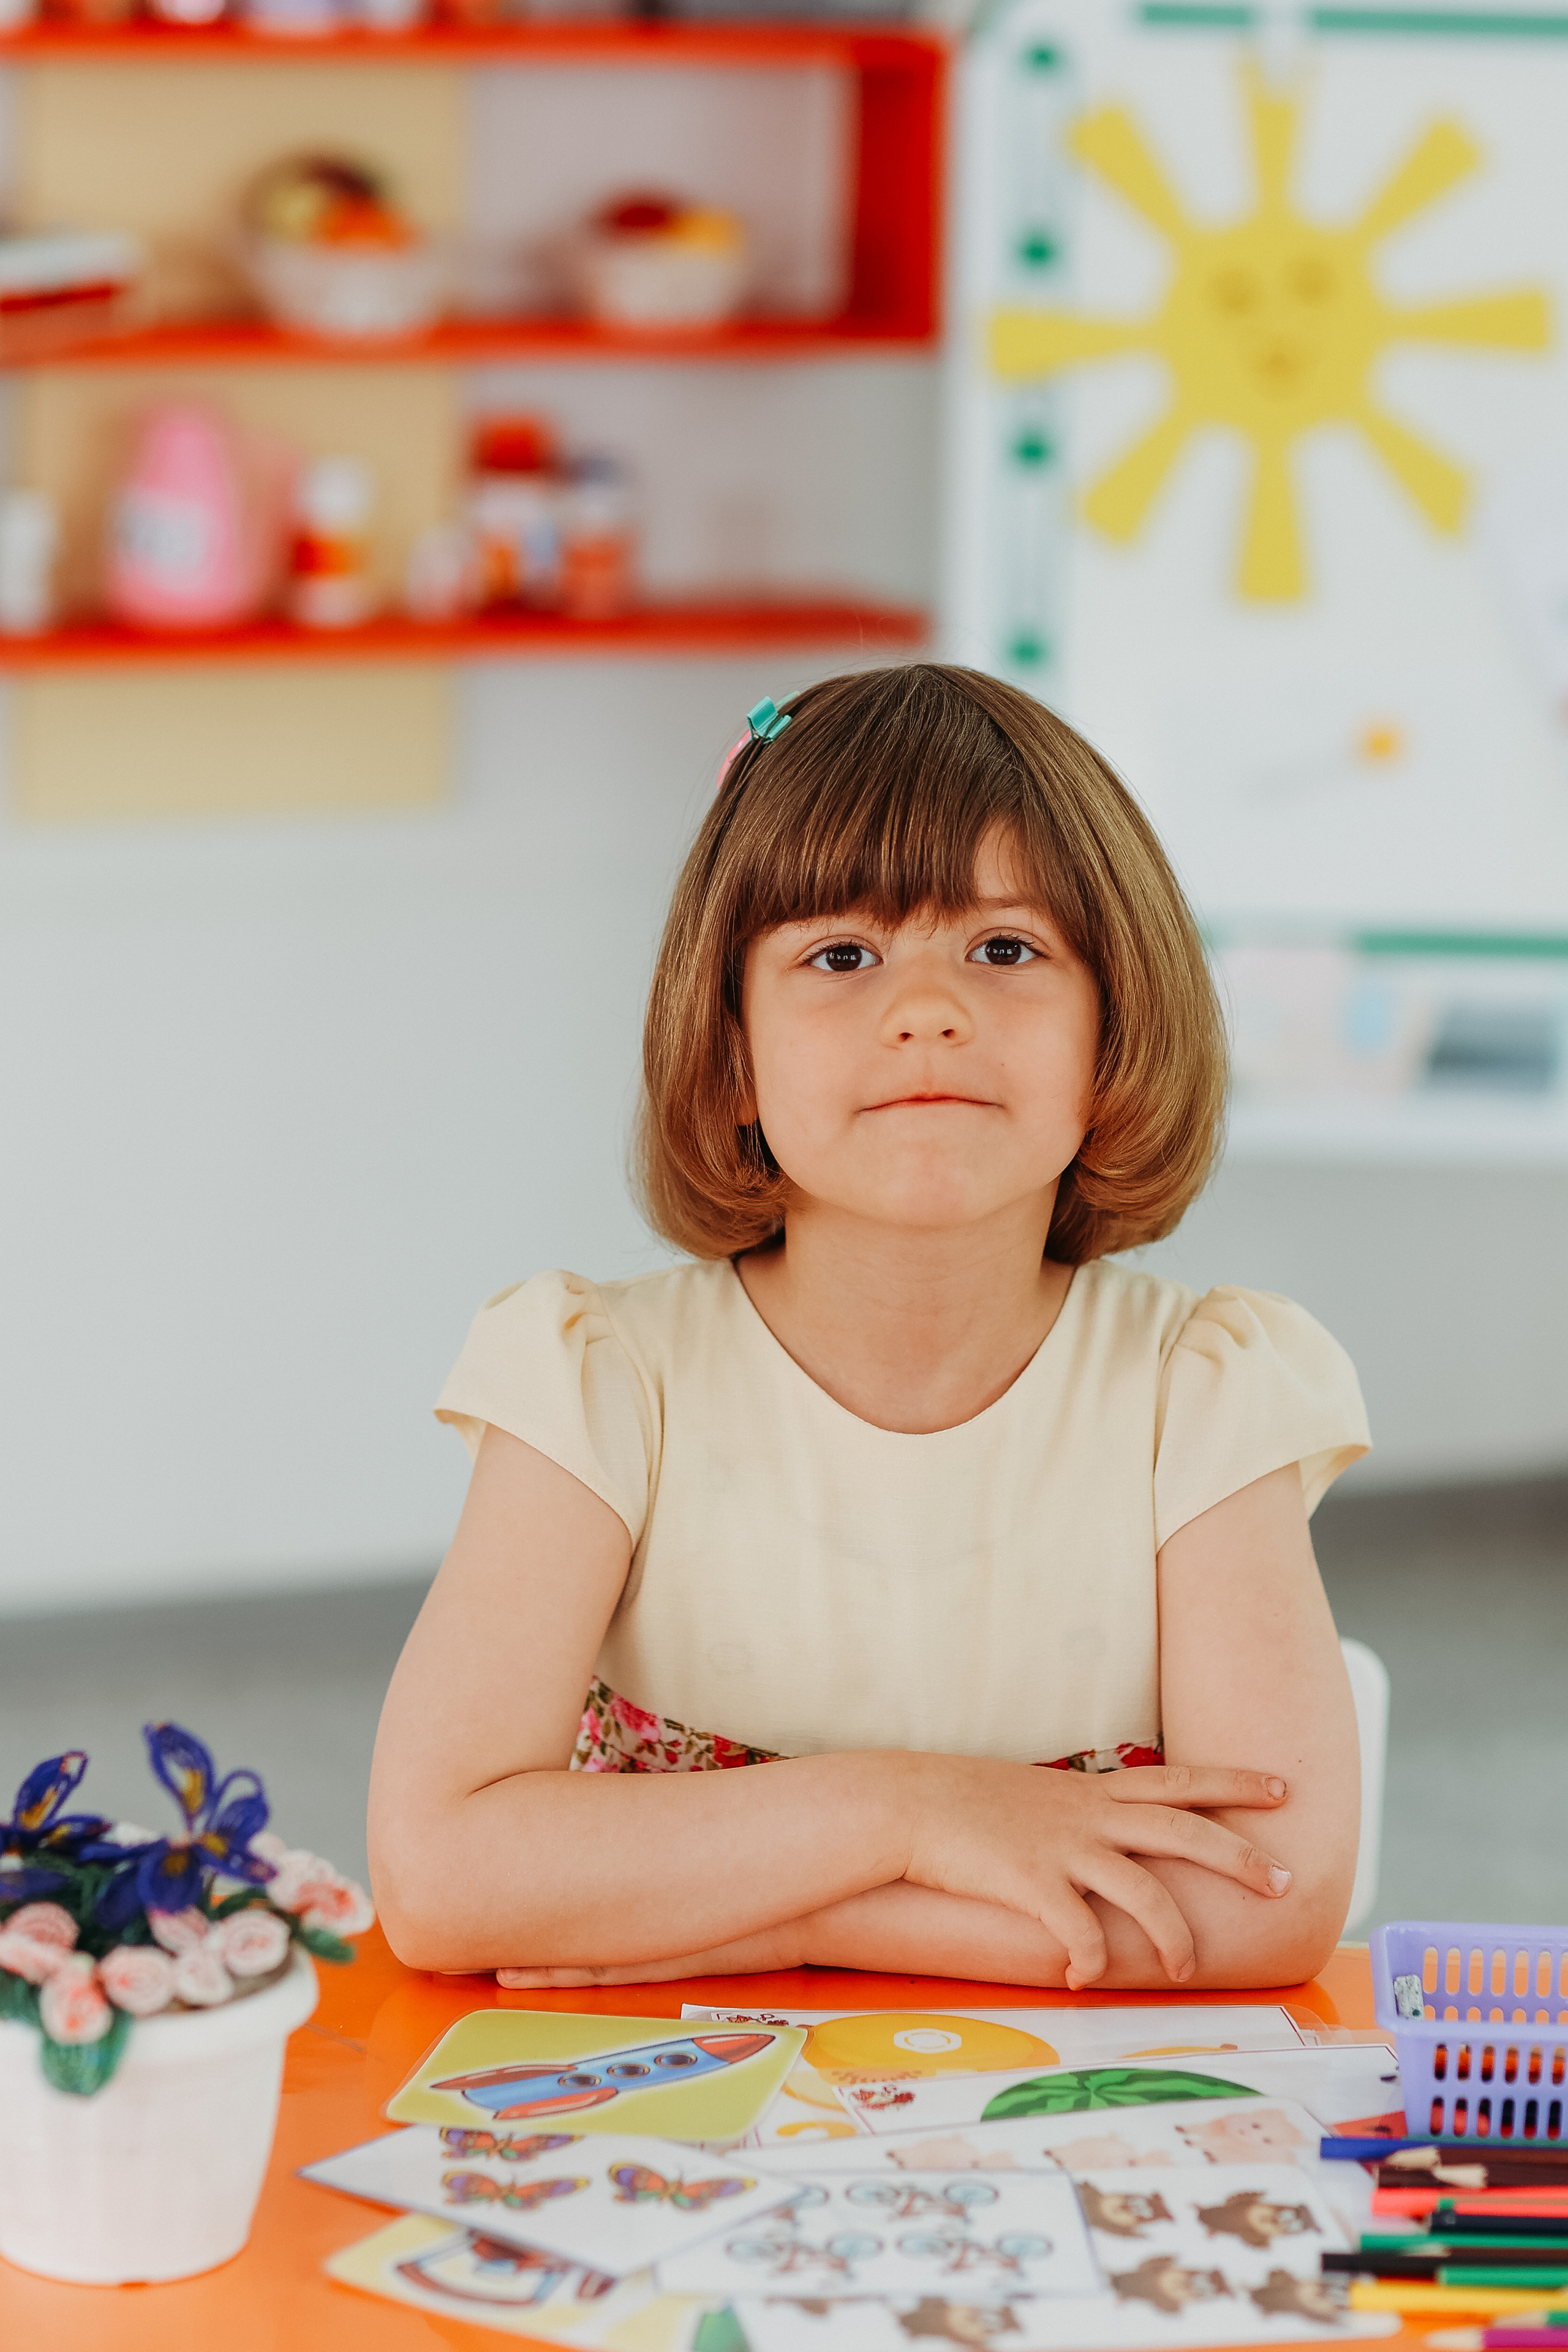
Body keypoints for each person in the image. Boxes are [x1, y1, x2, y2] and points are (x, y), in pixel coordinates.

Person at [368, 663, 1366, 1992]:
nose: (926, 1010)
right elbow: (439, 1883)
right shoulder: (598, 1383)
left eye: (1004, 950)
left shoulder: (1202, 1392)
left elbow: (1265, 1908)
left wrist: (785, 1924)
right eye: (840, 956)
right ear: (728, 1053)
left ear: (1112, 1029)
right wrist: (910, 1815)